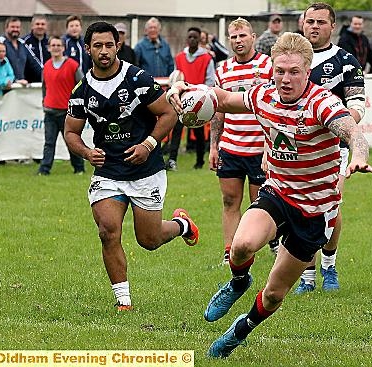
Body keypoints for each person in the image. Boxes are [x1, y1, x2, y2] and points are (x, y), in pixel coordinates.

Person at [167, 31, 372, 359]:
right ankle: (238, 282)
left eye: (294, 71)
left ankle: (242, 329)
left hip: (314, 211)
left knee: (273, 296)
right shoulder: (264, 96)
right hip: (277, 193)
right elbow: (223, 99)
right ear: (272, 69)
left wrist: (359, 157)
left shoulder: (322, 103)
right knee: (240, 246)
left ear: (307, 72)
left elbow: (353, 132)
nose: (285, 78)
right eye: (280, 71)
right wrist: (188, 90)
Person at [64, 21, 199, 311]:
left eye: (109, 45)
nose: (104, 51)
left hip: (145, 170)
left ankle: (182, 225)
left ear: (118, 46)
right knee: (107, 230)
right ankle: (123, 299)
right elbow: (71, 132)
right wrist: (87, 153)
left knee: (149, 240)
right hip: (108, 172)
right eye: (97, 45)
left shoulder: (136, 78)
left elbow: (168, 114)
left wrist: (147, 145)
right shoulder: (81, 90)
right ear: (87, 49)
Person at [294, 2, 366, 294]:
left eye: (321, 22)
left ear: (332, 26)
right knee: (300, 212)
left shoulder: (345, 60)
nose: (314, 26)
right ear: (303, 23)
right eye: (310, 21)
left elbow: (357, 106)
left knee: (330, 210)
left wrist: (333, 123)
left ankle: (329, 265)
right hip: (294, 150)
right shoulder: (291, 58)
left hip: (333, 149)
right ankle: (307, 276)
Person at [209, 17, 273, 264]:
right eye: (233, 37)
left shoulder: (268, 65)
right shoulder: (222, 70)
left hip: (259, 148)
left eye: (242, 35)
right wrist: (214, 146)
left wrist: (271, 146)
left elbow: (273, 108)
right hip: (231, 147)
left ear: (253, 37)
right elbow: (218, 111)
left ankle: (266, 243)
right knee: (229, 201)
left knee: (259, 204)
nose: (238, 41)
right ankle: (230, 251)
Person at [167, 27, 216, 170]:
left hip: (199, 100)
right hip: (182, 99)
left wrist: (199, 93)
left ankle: (200, 161)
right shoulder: (179, 57)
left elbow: (210, 80)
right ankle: (172, 160)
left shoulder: (207, 58)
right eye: (190, 37)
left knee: (199, 132)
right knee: (176, 129)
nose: (193, 40)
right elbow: (176, 77)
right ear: (187, 39)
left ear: (199, 39)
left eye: (195, 37)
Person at [37, 36, 84, 176]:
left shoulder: (73, 65)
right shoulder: (46, 66)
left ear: (63, 48)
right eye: (53, 45)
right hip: (50, 111)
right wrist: (44, 100)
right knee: (49, 143)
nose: (56, 48)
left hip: (67, 112)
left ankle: (79, 168)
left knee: (72, 142)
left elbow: (81, 85)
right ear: (49, 48)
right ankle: (44, 170)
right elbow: (44, 86)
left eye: (59, 45)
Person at [0, 16, 42, 85]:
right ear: (6, 28)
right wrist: (13, 81)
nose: (15, 29)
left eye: (17, 27)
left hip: (20, 87)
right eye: (12, 27)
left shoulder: (23, 44)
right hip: (4, 87)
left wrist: (47, 76)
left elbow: (35, 64)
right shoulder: (0, 43)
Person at [23, 14, 50, 82]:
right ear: (32, 26)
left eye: (42, 24)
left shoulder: (50, 42)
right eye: (37, 24)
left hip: (48, 81)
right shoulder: (24, 42)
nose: (40, 26)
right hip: (30, 83)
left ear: (46, 26)